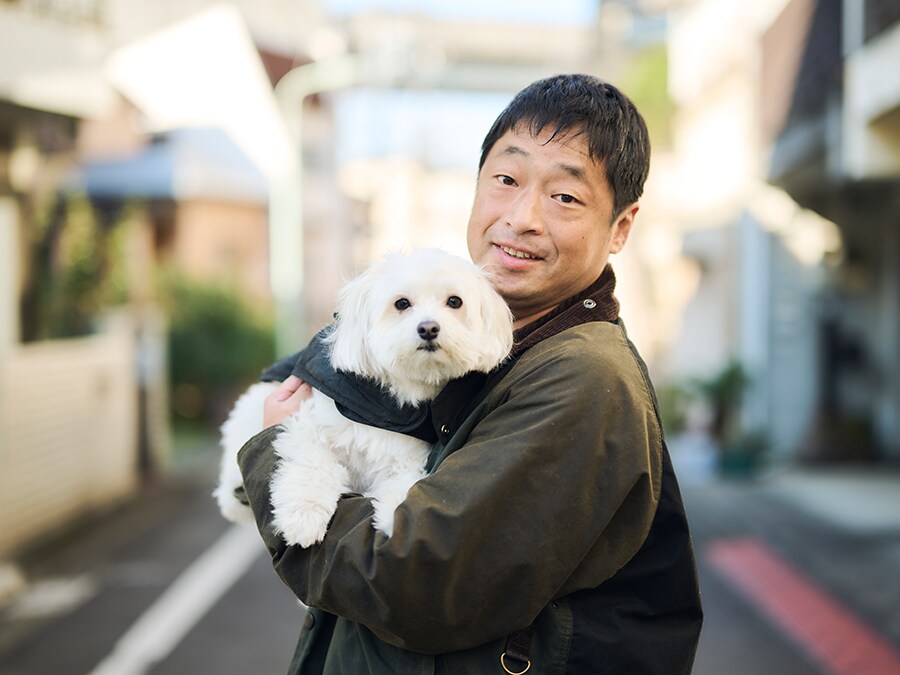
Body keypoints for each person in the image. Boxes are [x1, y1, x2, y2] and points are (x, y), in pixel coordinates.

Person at [237, 73, 703, 674]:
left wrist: (274, 451)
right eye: (505, 181)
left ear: (620, 228)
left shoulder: (583, 377)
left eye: (565, 197)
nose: (523, 217)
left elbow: (416, 582)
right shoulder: (488, 350)